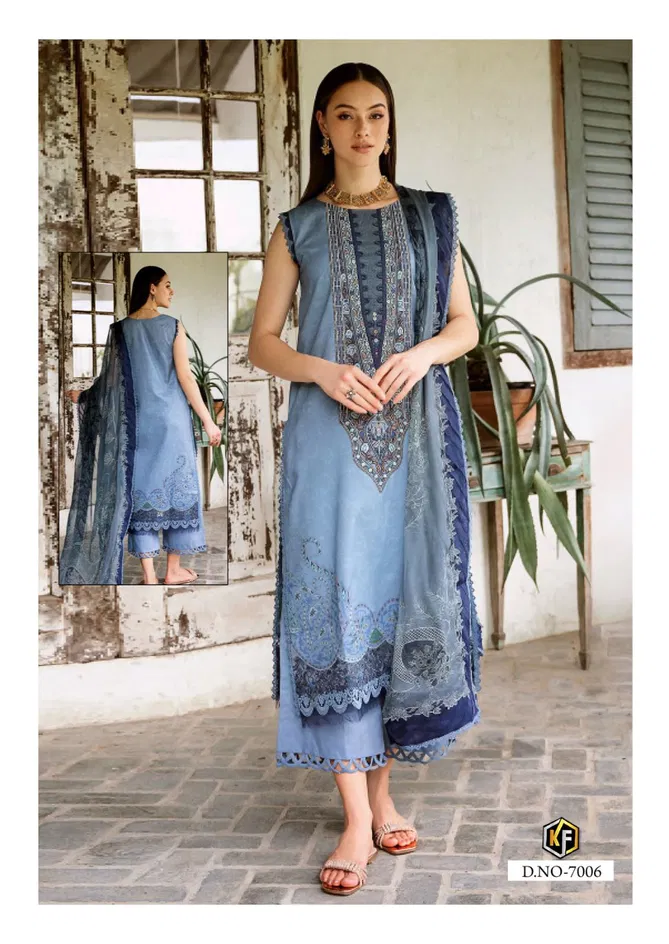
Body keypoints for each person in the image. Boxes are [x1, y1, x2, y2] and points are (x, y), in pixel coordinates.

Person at [248, 62, 484, 897]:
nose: (361, 129)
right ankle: (355, 816)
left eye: (375, 114)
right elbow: (262, 342)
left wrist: (422, 355)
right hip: (328, 446)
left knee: (399, 601)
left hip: (415, 441)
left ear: (389, 124)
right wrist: (321, 369)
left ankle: (383, 797)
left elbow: (463, 325)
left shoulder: (431, 216)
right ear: (321, 126)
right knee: (337, 612)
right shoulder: (297, 227)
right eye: (344, 115)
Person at [60, 266, 222, 586]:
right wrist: (208, 420)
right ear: (151, 288)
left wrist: (85, 396)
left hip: (136, 426)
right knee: (178, 490)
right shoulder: (173, 326)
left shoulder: (119, 330)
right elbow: (186, 378)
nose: (171, 291)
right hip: (172, 423)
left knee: (140, 492)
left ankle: (149, 575)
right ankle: (172, 571)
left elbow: (109, 380)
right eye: (167, 285)